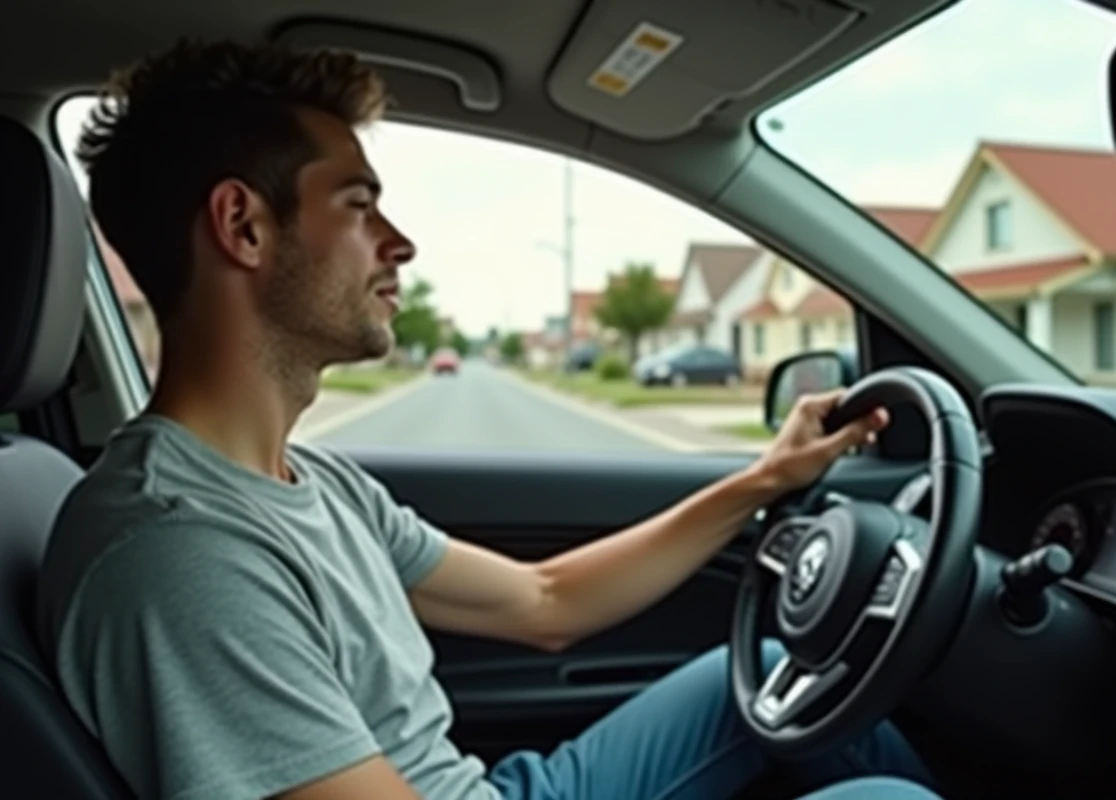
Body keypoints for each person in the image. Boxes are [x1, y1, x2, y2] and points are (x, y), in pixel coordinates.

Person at [34, 39, 945, 800]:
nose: (401, 243)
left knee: (781, 676)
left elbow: (544, 603)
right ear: (243, 226)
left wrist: (765, 479)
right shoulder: (182, 554)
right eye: (358, 205)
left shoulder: (312, 483)